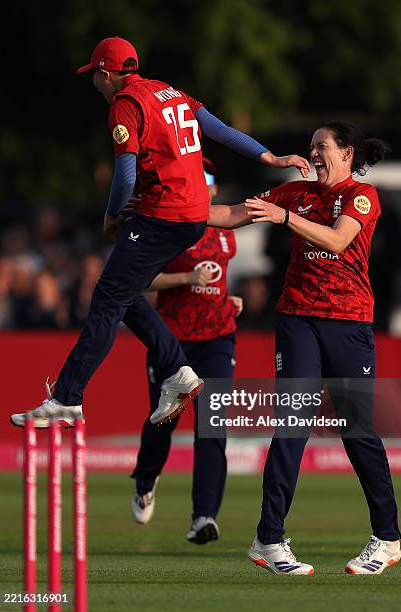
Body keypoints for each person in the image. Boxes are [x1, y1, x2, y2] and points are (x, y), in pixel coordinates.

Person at [10, 36, 310, 429]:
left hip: (163, 214)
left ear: (106, 73)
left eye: (96, 78)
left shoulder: (125, 103)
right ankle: (176, 372)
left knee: (106, 299)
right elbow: (218, 130)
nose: (96, 85)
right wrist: (268, 156)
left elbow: (125, 174)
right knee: (124, 291)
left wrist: (111, 217)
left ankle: (68, 398)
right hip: (193, 217)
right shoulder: (170, 92)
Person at [208, 121, 401, 575]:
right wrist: (170, 212)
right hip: (297, 318)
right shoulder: (293, 193)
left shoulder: (361, 196)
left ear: (348, 152)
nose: (313, 154)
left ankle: (387, 538)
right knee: (291, 425)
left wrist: (286, 220)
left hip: (349, 323)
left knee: (357, 431)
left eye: (322, 147)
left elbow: (337, 240)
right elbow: (231, 214)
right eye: (311, 147)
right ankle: (268, 540)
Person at [131, 157, 241, 544]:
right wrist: (186, 278)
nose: (205, 184)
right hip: (173, 341)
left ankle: (204, 517)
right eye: (199, 177)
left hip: (217, 337)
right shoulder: (171, 228)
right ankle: (145, 480)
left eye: (209, 178)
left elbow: (216, 282)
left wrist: (231, 299)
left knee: (213, 426)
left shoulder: (227, 234)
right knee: (164, 421)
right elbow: (142, 280)